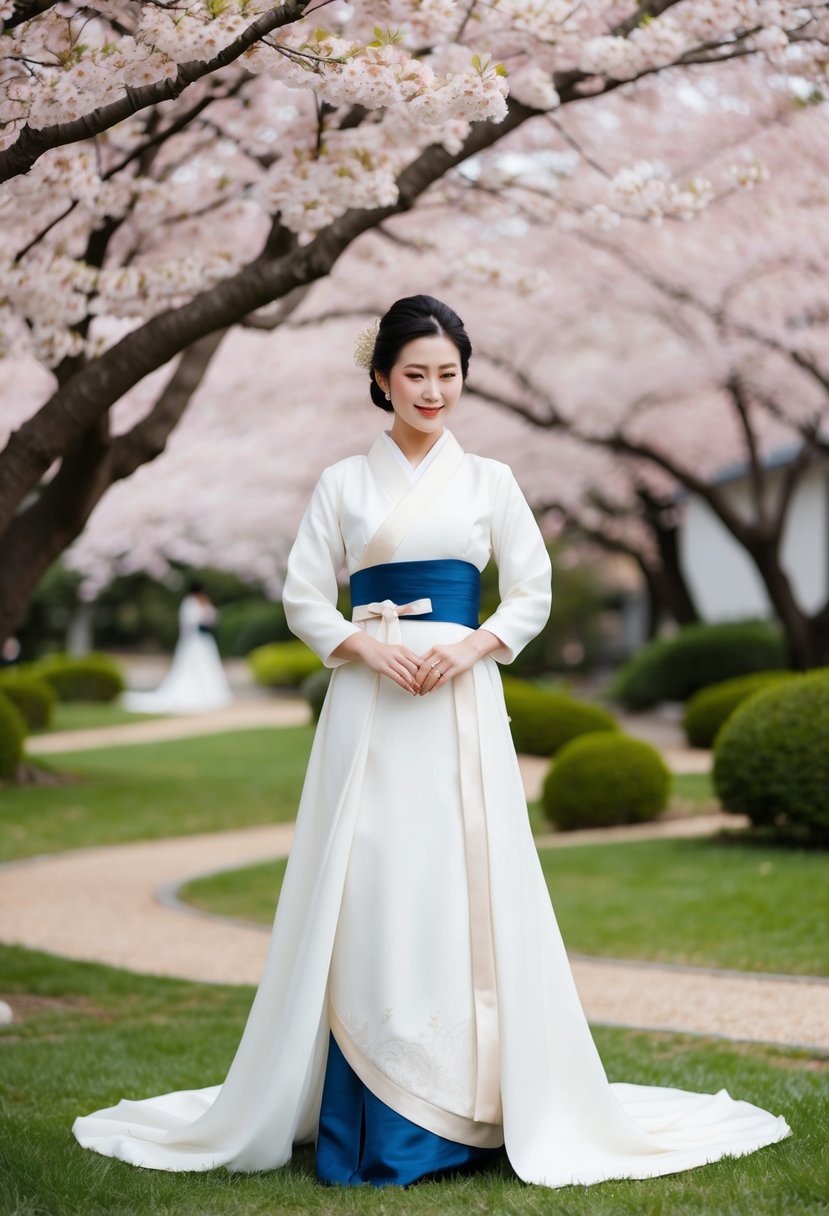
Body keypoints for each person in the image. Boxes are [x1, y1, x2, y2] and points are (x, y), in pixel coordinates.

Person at [72, 295, 790, 1189]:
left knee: (463, 881)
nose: (432, 390)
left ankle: (473, 1100)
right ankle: (364, 1098)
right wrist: (365, 646)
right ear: (380, 379)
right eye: (414, 373)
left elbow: (528, 591)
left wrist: (471, 648)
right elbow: (304, 597)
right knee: (366, 881)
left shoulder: (490, 481)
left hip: (460, 701)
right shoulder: (341, 481)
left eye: (447, 374)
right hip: (367, 702)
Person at [121, 582, 233, 714]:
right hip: (194, 641)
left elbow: (214, 618)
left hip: (204, 641)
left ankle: (210, 694)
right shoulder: (189, 603)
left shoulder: (204, 603)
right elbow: (191, 623)